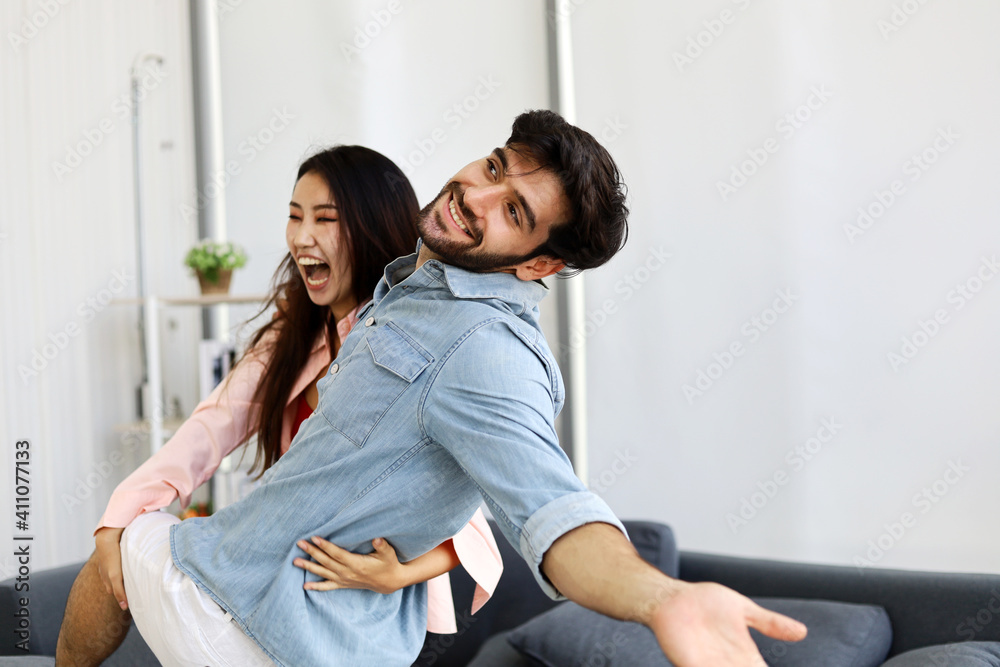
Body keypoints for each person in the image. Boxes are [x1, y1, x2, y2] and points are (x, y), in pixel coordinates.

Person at [69, 110, 809, 667]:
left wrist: (664, 597)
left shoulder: (487, 354)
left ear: (539, 265)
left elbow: (551, 508)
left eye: (514, 211)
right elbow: (213, 424)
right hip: (315, 631)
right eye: (494, 168)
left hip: (244, 619)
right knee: (127, 537)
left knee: (126, 547)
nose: (477, 195)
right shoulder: (409, 287)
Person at [55, 145, 503, 666]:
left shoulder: (408, 345)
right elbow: (212, 426)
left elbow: (459, 505)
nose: (301, 236)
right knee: (117, 546)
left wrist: (397, 574)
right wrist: (120, 512)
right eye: (294, 216)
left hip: (376, 609)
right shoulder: (293, 338)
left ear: (372, 227)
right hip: (292, 581)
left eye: (325, 219)